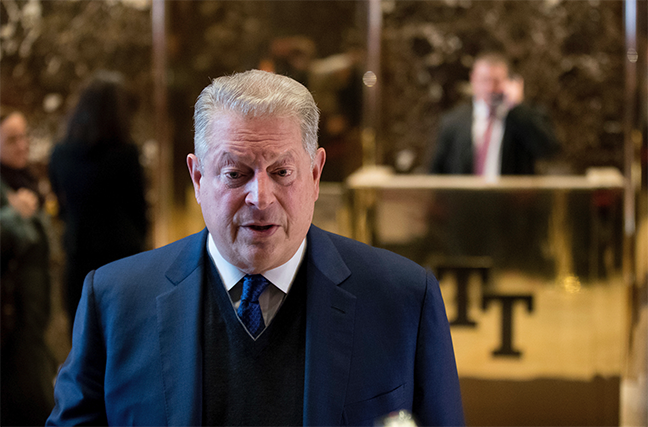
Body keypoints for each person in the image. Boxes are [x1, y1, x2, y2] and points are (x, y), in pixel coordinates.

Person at [47, 70, 465, 427]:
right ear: (197, 178)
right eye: (235, 173)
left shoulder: (404, 299)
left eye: (282, 172)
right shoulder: (116, 300)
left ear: (315, 174)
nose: (260, 197)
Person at [49, 71, 148, 329]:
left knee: (83, 347)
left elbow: (62, 208)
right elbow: (139, 211)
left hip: (78, 261)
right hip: (123, 263)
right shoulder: (126, 154)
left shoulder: (60, 154)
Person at [0, 111, 56, 426]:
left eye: (24, 137)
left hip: (33, 313)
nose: (22, 146)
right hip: (11, 315)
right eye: (12, 139)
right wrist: (11, 216)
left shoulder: (26, 181)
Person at [429, 51, 559, 177]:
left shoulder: (524, 116)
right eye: (485, 80)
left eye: (496, 81)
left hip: (511, 198)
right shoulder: (453, 121)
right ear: (473, 79)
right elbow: (436, 171)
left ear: (509, 81)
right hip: (465, 198)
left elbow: (549, 152)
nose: (490, 88)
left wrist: (516, 107)